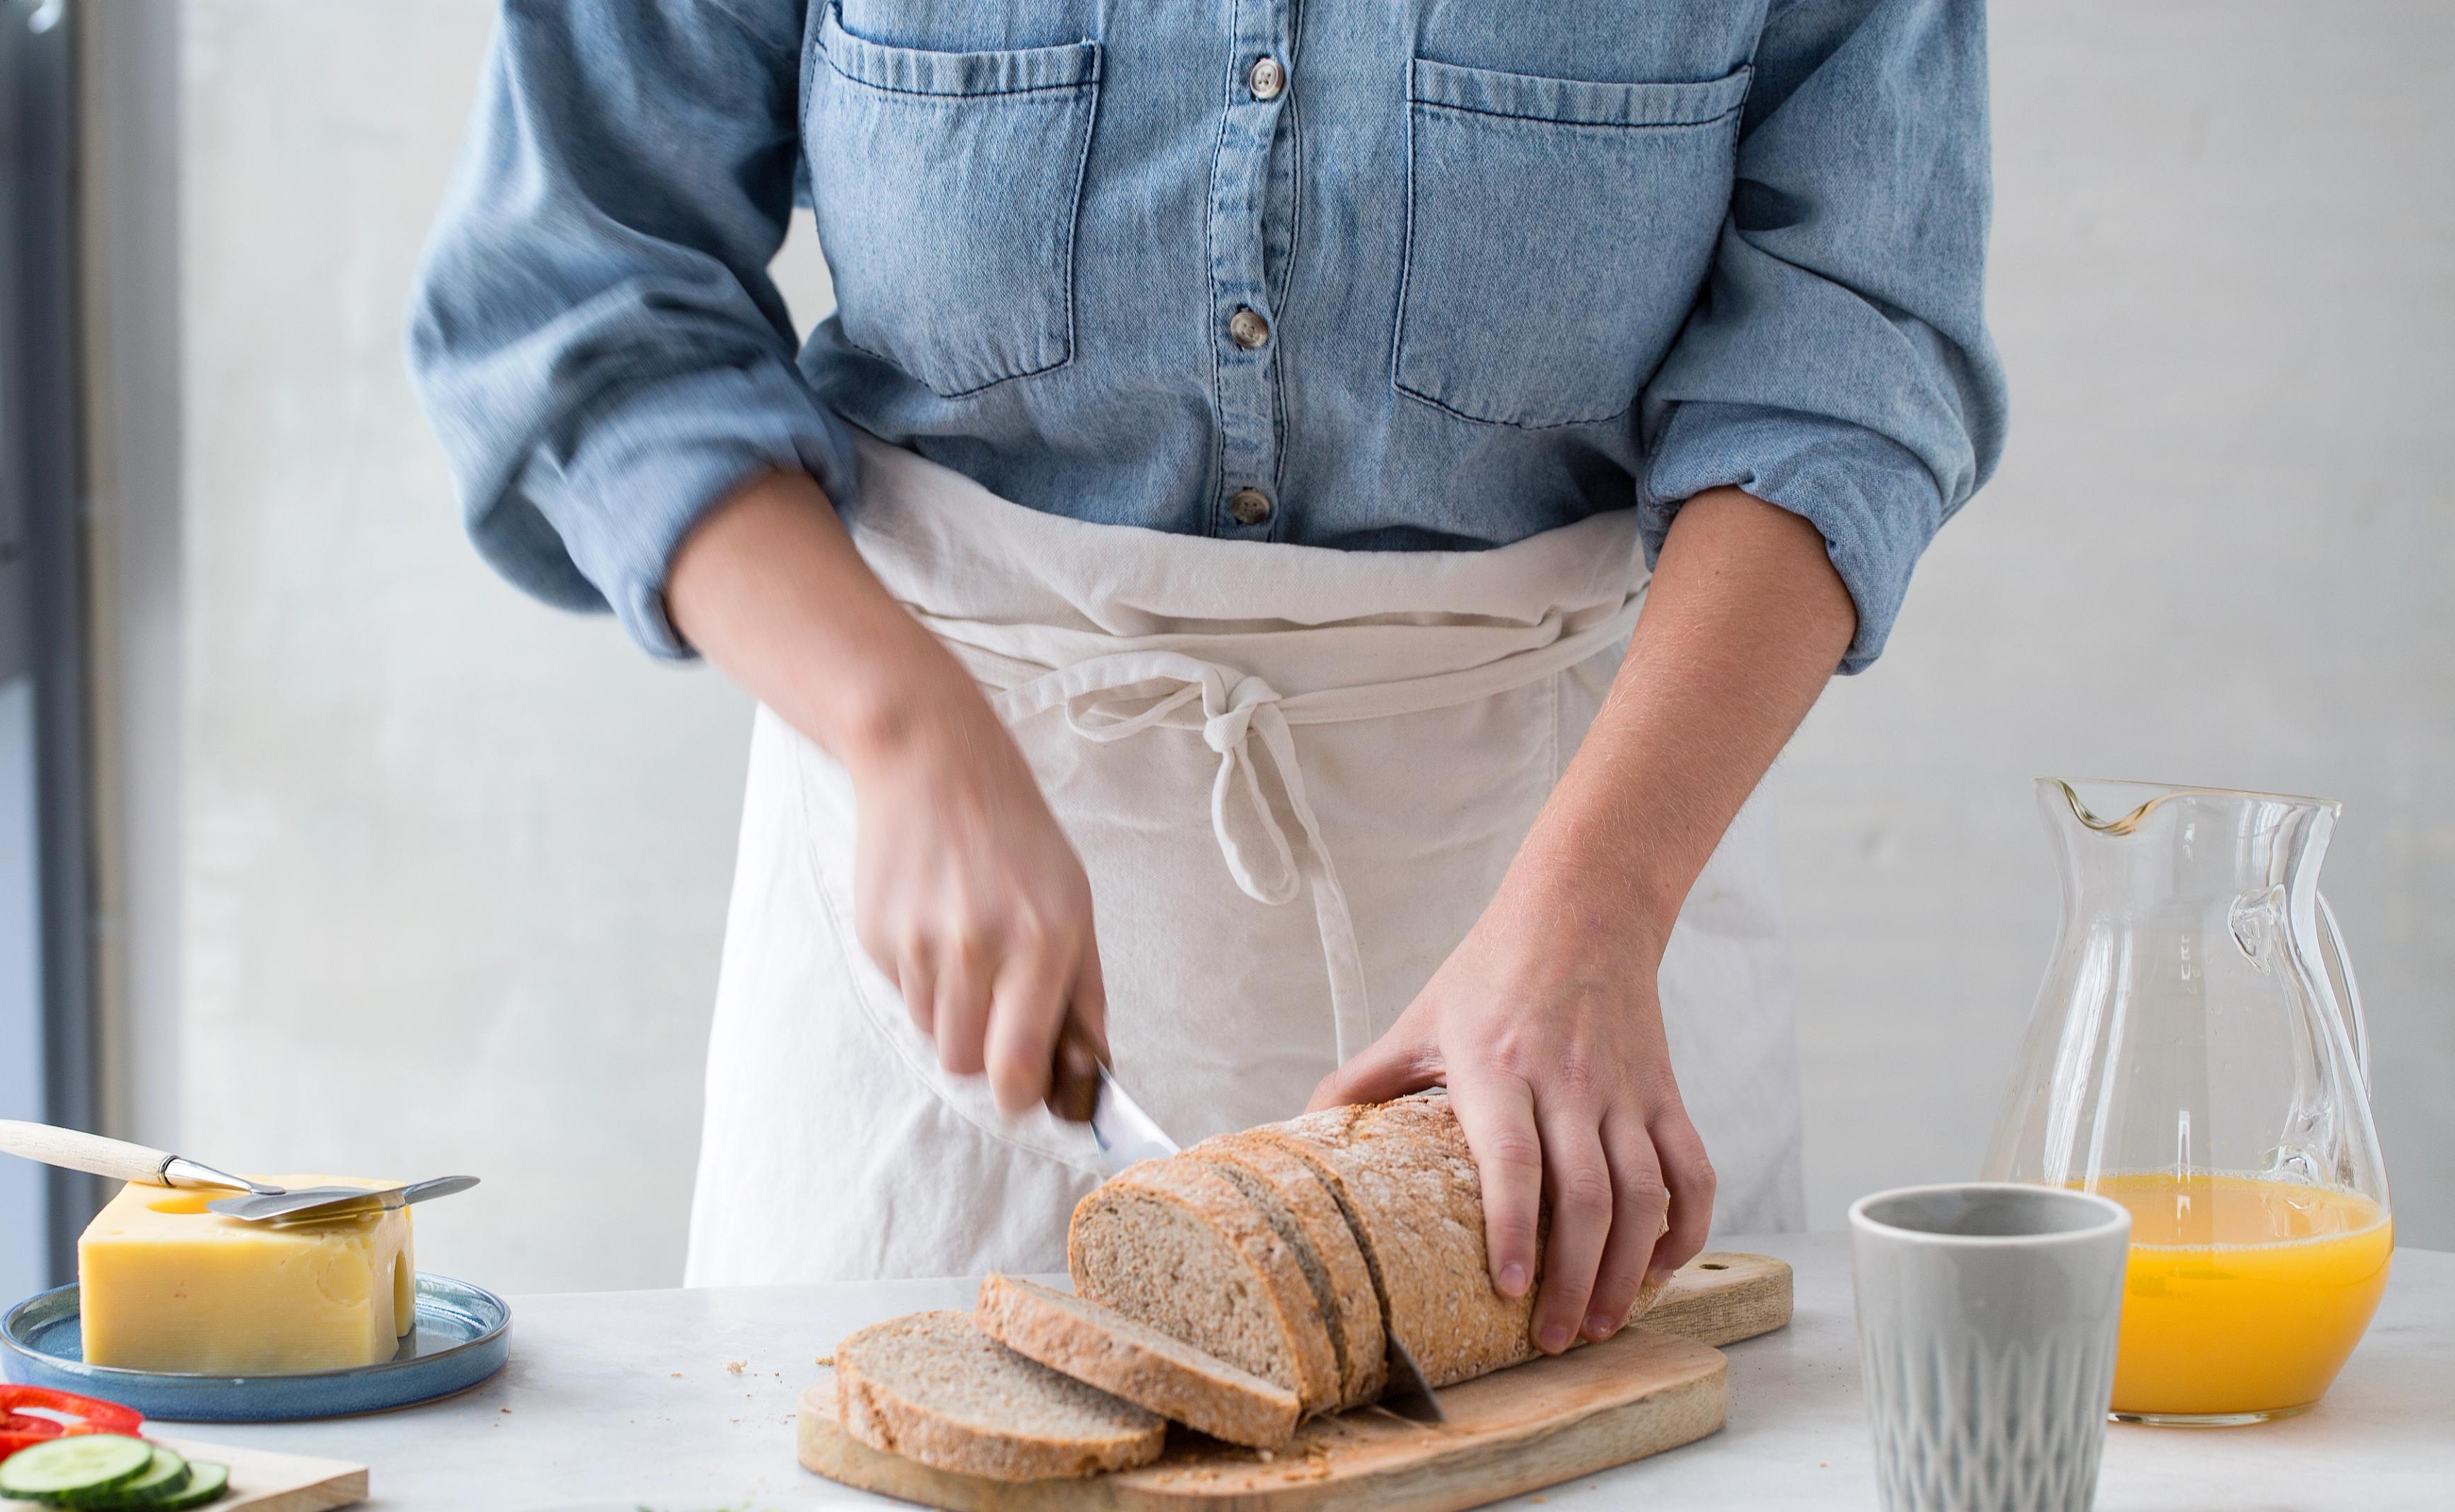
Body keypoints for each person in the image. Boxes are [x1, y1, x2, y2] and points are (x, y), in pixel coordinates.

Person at [409, 1, 2004, 1354]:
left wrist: (1601, 902)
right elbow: (586, 291)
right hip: (943, 904)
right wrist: (897, 729)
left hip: (1580, 904)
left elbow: (1845, 359)